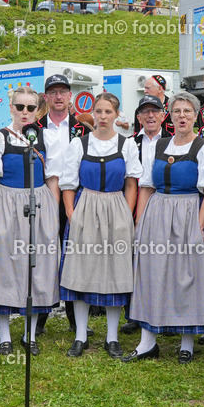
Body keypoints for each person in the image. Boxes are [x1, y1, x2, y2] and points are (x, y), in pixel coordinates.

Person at [125, 92, 204, 364]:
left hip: (188, 213)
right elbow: (146, 185)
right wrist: (141, 222)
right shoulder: (159, 146)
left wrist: (197, 229)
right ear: (169, 115)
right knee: (152, 273)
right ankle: (147, 341)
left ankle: (187, 342)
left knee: (187, 276)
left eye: (188, 111)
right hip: (157, 214)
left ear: (196, 116)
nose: (182, 116)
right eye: (177, 111)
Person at [0, 88, 61, 356]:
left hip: (40, 203)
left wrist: (53, 213)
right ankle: (4, 335)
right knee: (4, 266)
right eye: (20, 107)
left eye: (31, 108)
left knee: (37, 268)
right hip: (7, 203)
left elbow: (53, 179)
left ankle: (29, 334)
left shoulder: (47, 138)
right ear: (11, 108)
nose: (25, 112)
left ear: (38, 110)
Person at [60, 93, 142, 358]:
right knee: (81, 269)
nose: (103, 117)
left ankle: (112, 337)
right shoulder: (79, 144)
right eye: (99, 111)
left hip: (116, 206)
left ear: (117, 115)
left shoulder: (127, 145)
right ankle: (80, 336)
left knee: (116, 271)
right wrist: (73, 217)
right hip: (87, 205)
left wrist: (126, 217)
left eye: (108, 112)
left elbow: (131, 184)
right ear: (92, 114)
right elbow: (68, 185)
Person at [36, 74, 92, 334]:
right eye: (53, 92)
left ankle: (74, 319)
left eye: (63, 91)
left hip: (75, 196)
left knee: (74, 255)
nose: (58, 96)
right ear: (45, 97)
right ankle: (40, 318)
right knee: (44, 255)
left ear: (70, 96)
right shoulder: (34, 128)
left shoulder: (82, 129)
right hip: (44, 195)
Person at [120, 95, 171, 336]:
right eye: (145, 112)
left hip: (163, 201)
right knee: (133, 258)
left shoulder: (173, 141)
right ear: (138, 117)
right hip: (135, 200)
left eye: (155, 111)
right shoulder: (129, 142)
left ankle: (164, 308)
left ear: (163, 114)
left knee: (164, 258)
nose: (150, 116)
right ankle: (133, 313)